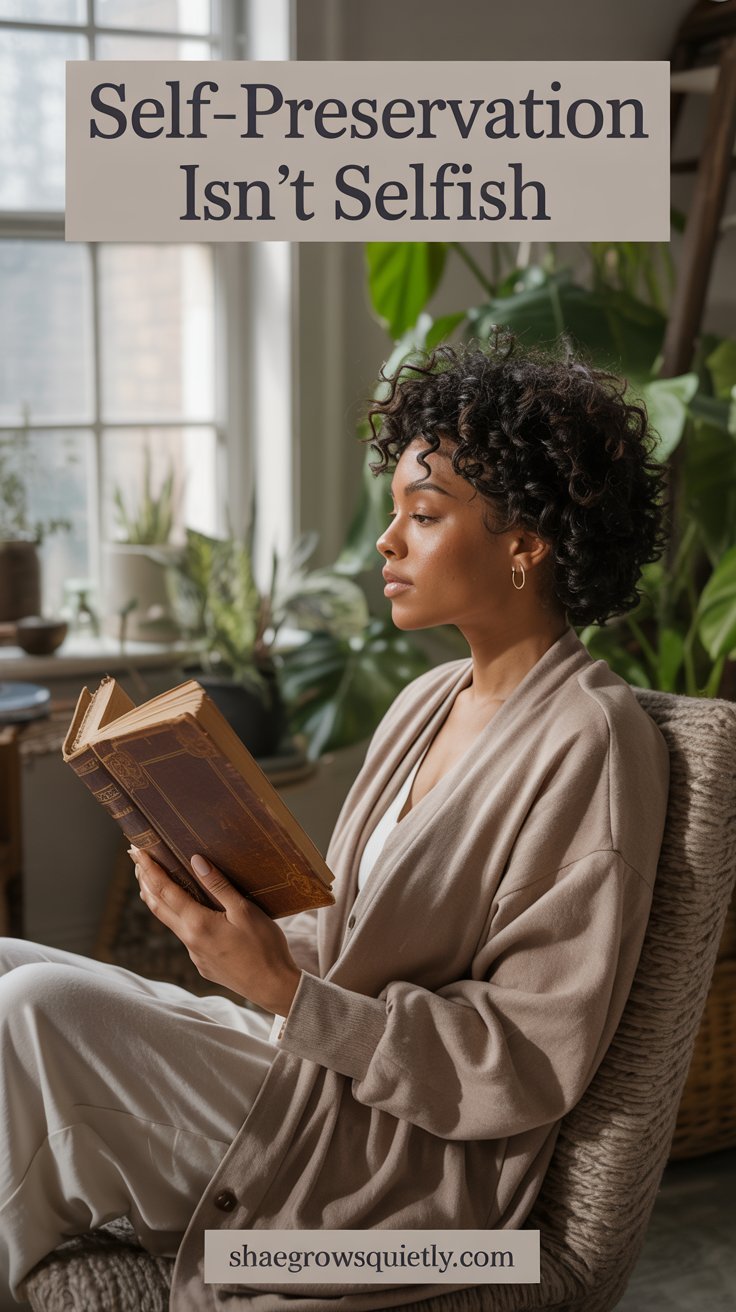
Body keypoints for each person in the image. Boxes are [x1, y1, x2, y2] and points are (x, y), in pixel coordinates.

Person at [0, 332, 671, 1312]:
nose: (385, 542)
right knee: (11, 964)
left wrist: (282, 989)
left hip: (397, 1151)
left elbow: (527, 1060)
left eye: (423, 514)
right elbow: (351, 932)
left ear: (526, 541)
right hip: (306, 1058)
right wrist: (238, 926)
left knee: (33, 1015)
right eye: (394, 512)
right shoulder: (428, 701)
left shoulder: (593, 743)